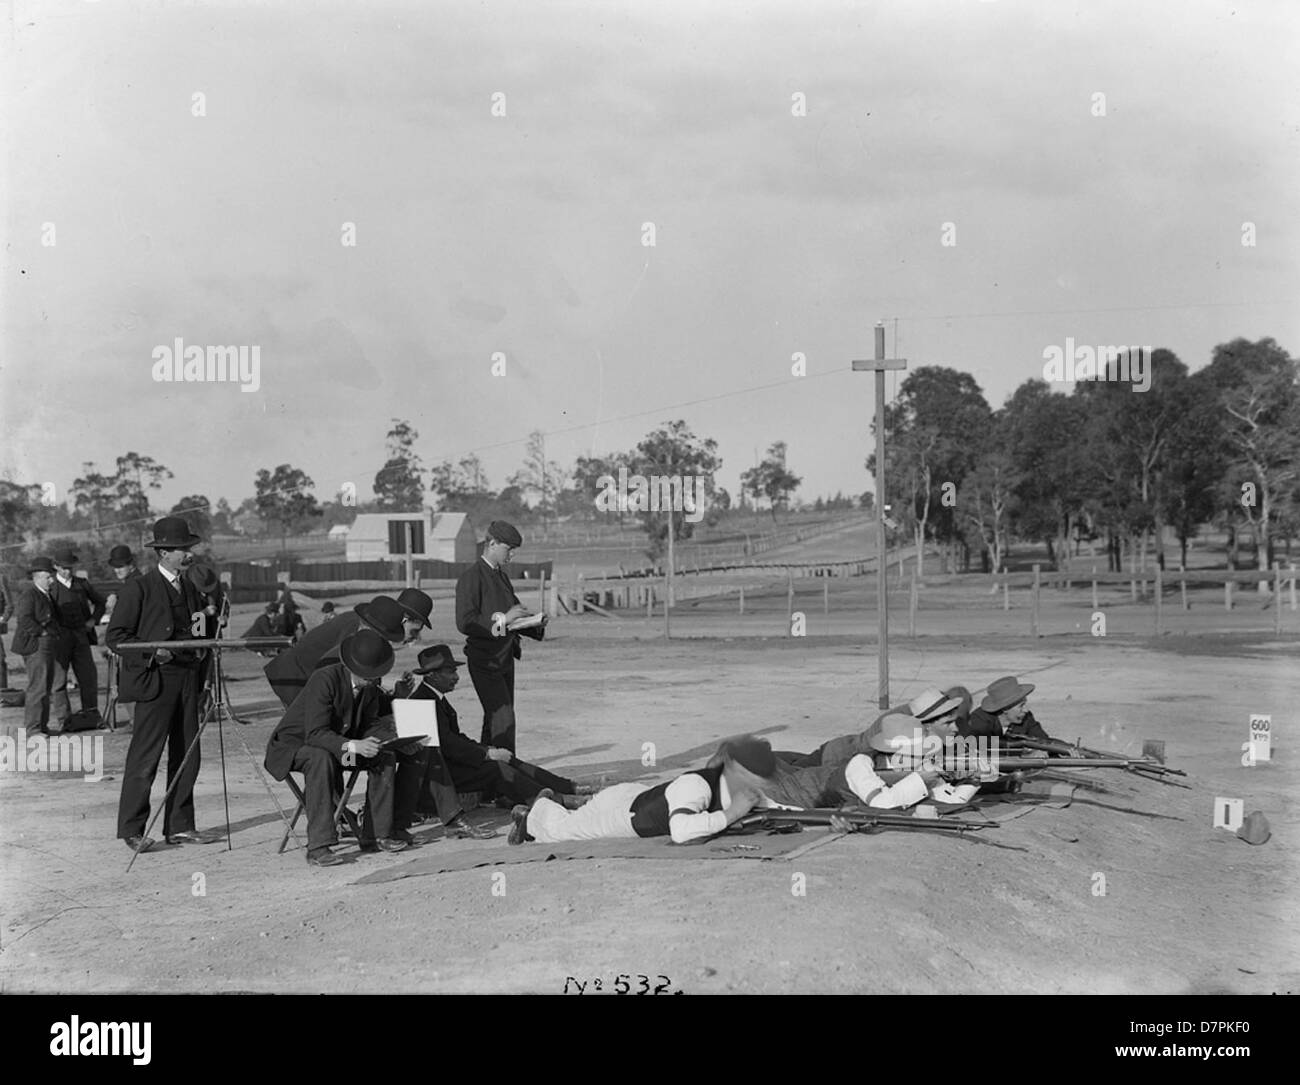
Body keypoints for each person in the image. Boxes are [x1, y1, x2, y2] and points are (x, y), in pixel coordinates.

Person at [106, 517, 217, 853]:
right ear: (165, 552)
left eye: (189, 548)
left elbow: (199, 633)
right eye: (184, 549)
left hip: (187, 681)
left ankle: (180, 826)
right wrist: (155, 651)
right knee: (146, 757)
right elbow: (117, 637)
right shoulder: (138, 588)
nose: (189, 554)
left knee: (188, 755)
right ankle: (132, 830)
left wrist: (205, 637)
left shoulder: (192, 589)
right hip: (154, 682)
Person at [263, 628, 416, 866]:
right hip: (296, 745)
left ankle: (376, 834)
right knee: (320, 758)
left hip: (338, 747)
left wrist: (393, 739)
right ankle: (318, 847)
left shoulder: (369, 686)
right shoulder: (325, 679)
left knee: (384, 755)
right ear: (352, 667)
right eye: (368, 676)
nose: (373, 681)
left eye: (376, 675)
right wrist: (354, 745)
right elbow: (314, 733)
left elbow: (371, 724)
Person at [394, 643, 582, 812]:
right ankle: (556, 801)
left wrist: (485, 749)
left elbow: (455, 738)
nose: (456, 677)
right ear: (433, 676)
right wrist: (486, 755)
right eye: (450, 672)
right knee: (496, 769)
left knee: (508, 759)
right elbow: (448, 744)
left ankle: (566, 787)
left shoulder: (434, 696)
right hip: (439, 775)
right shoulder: (423, 700)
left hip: (449, 763)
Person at [511, 735, 776, 846]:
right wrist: (732, 814)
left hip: (633, 797)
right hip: (626, 815)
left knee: (589, 813)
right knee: (561, 832)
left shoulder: (727, 786)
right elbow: (682, 832)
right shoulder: (696, 785)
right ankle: (540, 807)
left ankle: (567, 803)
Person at [455, 520, 546, 753]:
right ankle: (508, 777)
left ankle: (487, 774)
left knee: (495, 719)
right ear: (492, 543)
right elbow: (465, 622)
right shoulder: (471, 577)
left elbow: (513, 618)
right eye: (509, 548)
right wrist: (505, 619)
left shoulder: (502, 577)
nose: (512, 555)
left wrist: (534, 623)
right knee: (503, 719)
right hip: (485, 660)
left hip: (504, 658)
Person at [262, 594, 419, 707]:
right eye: (414, 630)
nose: (415, 636)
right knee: (306, 735)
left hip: (307, 676)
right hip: (296, 676)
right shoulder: (354, 634)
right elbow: (337, 673)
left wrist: (391, 697)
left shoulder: (363, 627)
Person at [775, 686, 971, 768]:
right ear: (930, 721)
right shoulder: (898, 723)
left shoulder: (921, 724)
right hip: (836, 756)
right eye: (949, 722)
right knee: (788, 772)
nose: (955, 728)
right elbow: (867, 756)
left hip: (841, 753)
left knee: (794, 762)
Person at [11, 557, 70, 735]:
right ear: (37, 577)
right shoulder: (30, 595)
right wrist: (42, 632)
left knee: (45, 686)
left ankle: (42, 726)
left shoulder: (45, 594)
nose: (51, 580)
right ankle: (33, 729)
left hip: (47, 645)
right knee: (38, 687)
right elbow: (24, 619)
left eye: (51, 577)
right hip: (36, 646)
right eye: (48, 577)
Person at [50, 545, 106, 723]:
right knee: (58, 681)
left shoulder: (82, 584)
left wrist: (92, 621)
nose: (67, 571)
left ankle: (90, 715)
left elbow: (100, 603)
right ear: (56, 567)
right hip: (60, 640)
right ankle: (63, 719)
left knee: (88, 677)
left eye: (70, 568)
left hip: (81, 637)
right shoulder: (50, 587)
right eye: (64, 568)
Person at [960, 676, 1059, 745]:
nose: (1026, 710)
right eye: (1021, 706)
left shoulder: (1026, 717)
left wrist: (1066, 749)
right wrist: (1023, 751)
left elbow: (1043, 740)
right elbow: (977, 743)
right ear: (1005, 708)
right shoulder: (980, 719)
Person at [102, 545, 143, 709]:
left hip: (132, 638)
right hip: (133, 638)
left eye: (121, 566)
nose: (117, 570)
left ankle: (136, 722)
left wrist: (115, 606)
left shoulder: (133, 584)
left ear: (131, 564)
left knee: (129, 680)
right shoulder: (131, 582)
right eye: (115, 567)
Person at [0, 571, 12, 691]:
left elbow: (10, 605)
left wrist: (3, 619)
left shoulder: (1, 578)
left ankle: (3, 694)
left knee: (0, 660)